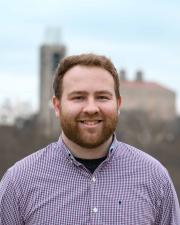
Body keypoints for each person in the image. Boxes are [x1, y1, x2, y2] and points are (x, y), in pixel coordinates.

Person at [0, 53, 179, 225]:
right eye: (78, 97)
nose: (91, 108)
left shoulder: (155, 178)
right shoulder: (19, 182)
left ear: (118, 104)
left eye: (102, 97)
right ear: (57, 106)